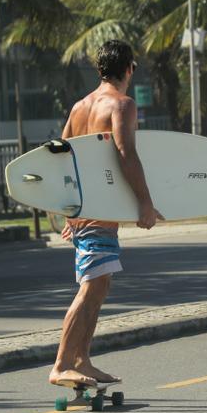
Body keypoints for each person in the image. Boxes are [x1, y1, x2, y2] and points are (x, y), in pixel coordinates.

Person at [49, 40, 163, 387]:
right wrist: (145, 202)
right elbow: (126, 153)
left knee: (100, 286)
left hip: (86, 211)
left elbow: (62, 157)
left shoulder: (79, 107)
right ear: (129, 68)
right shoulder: (122, 104)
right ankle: (62, 364)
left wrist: (68, 213)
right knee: (91, 287)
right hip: (98, 214)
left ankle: (82, 360)